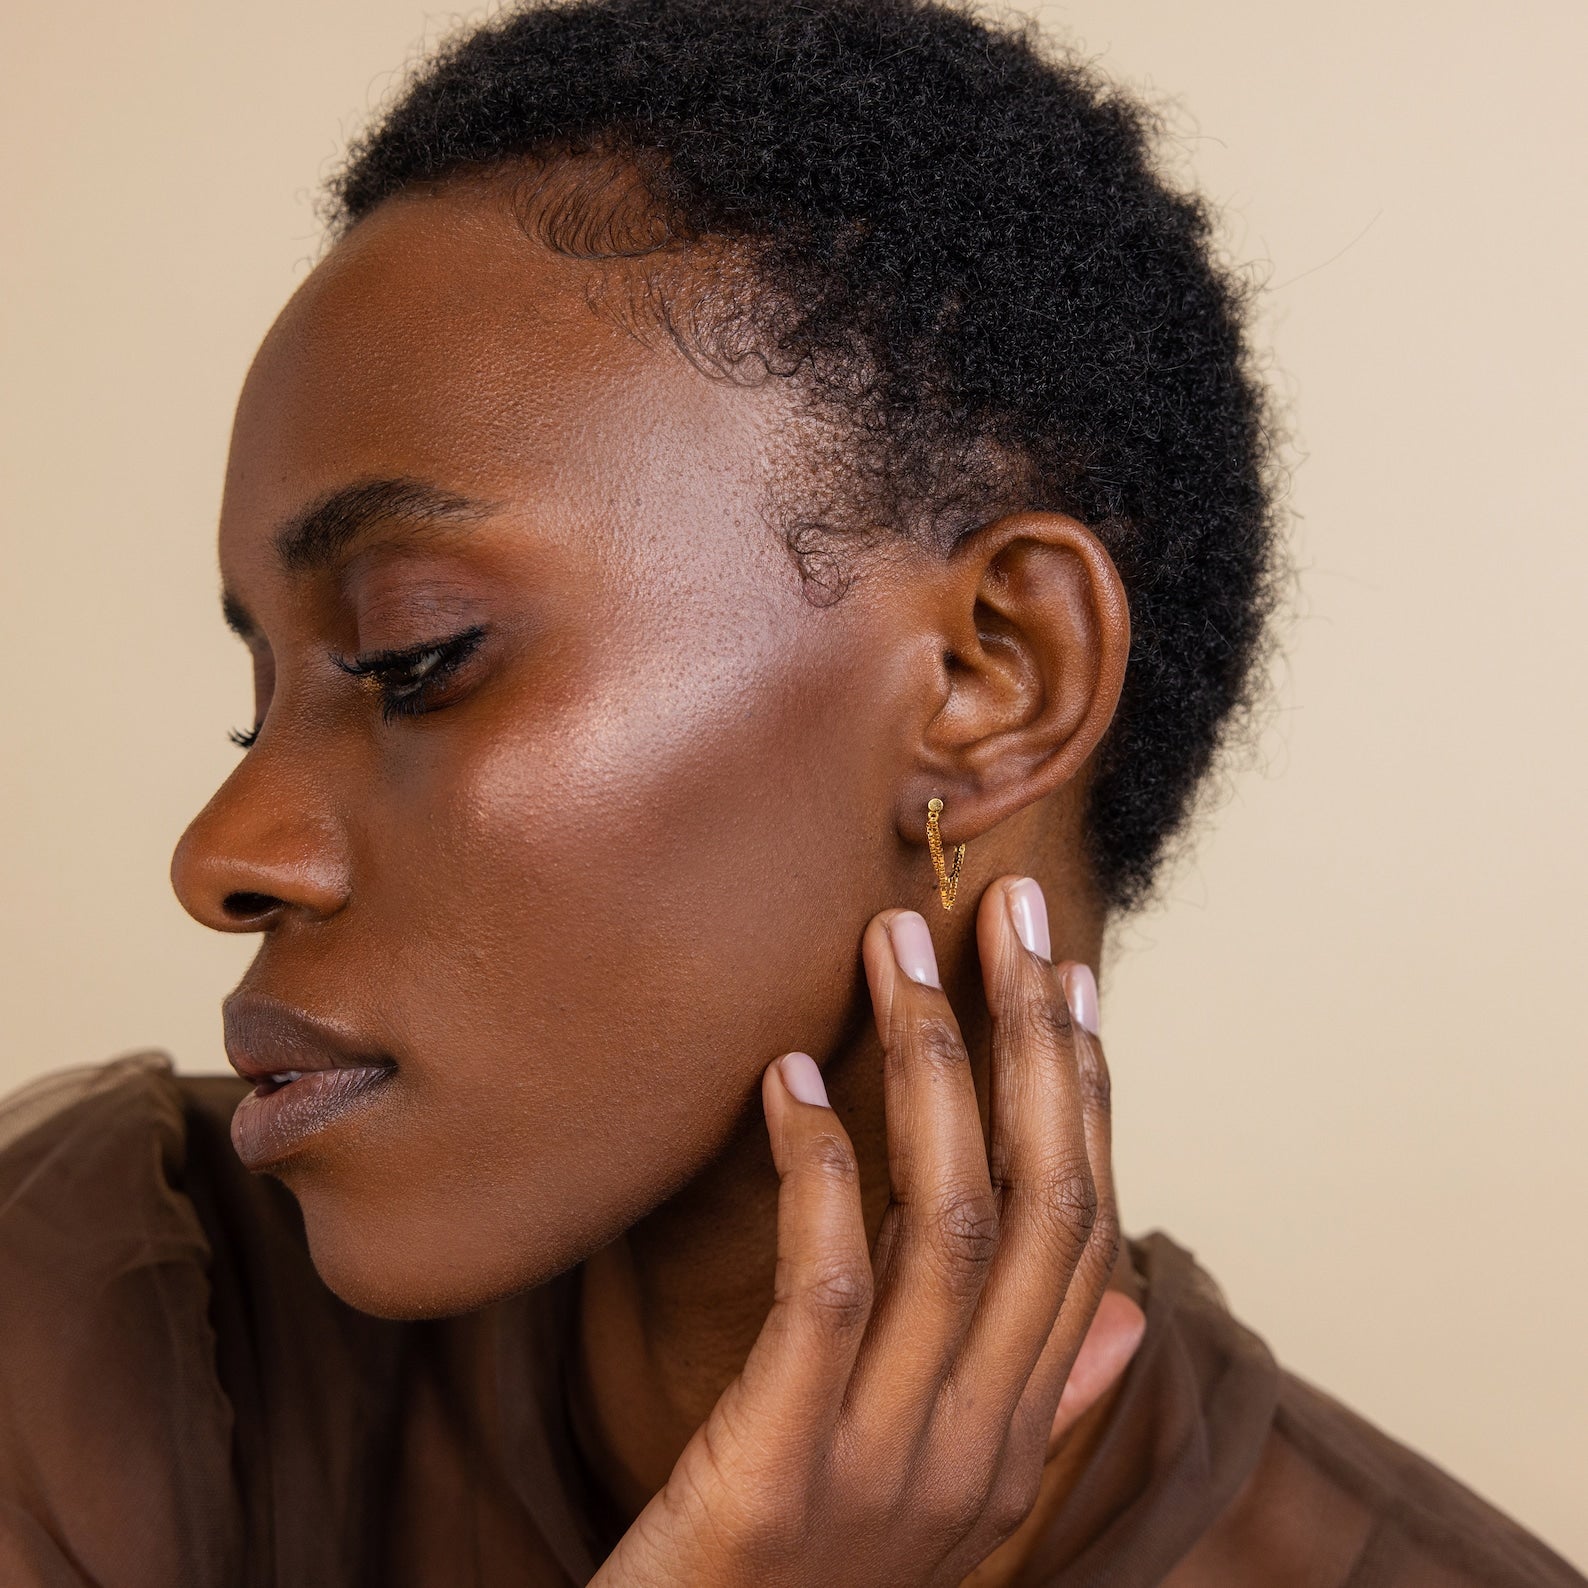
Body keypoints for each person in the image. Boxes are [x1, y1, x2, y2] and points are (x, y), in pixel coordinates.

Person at [0, 1, 1579, 1583]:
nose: (223, 854)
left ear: (992, 674)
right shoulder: (96, 1330)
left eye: (416, 655)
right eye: (258, 703)